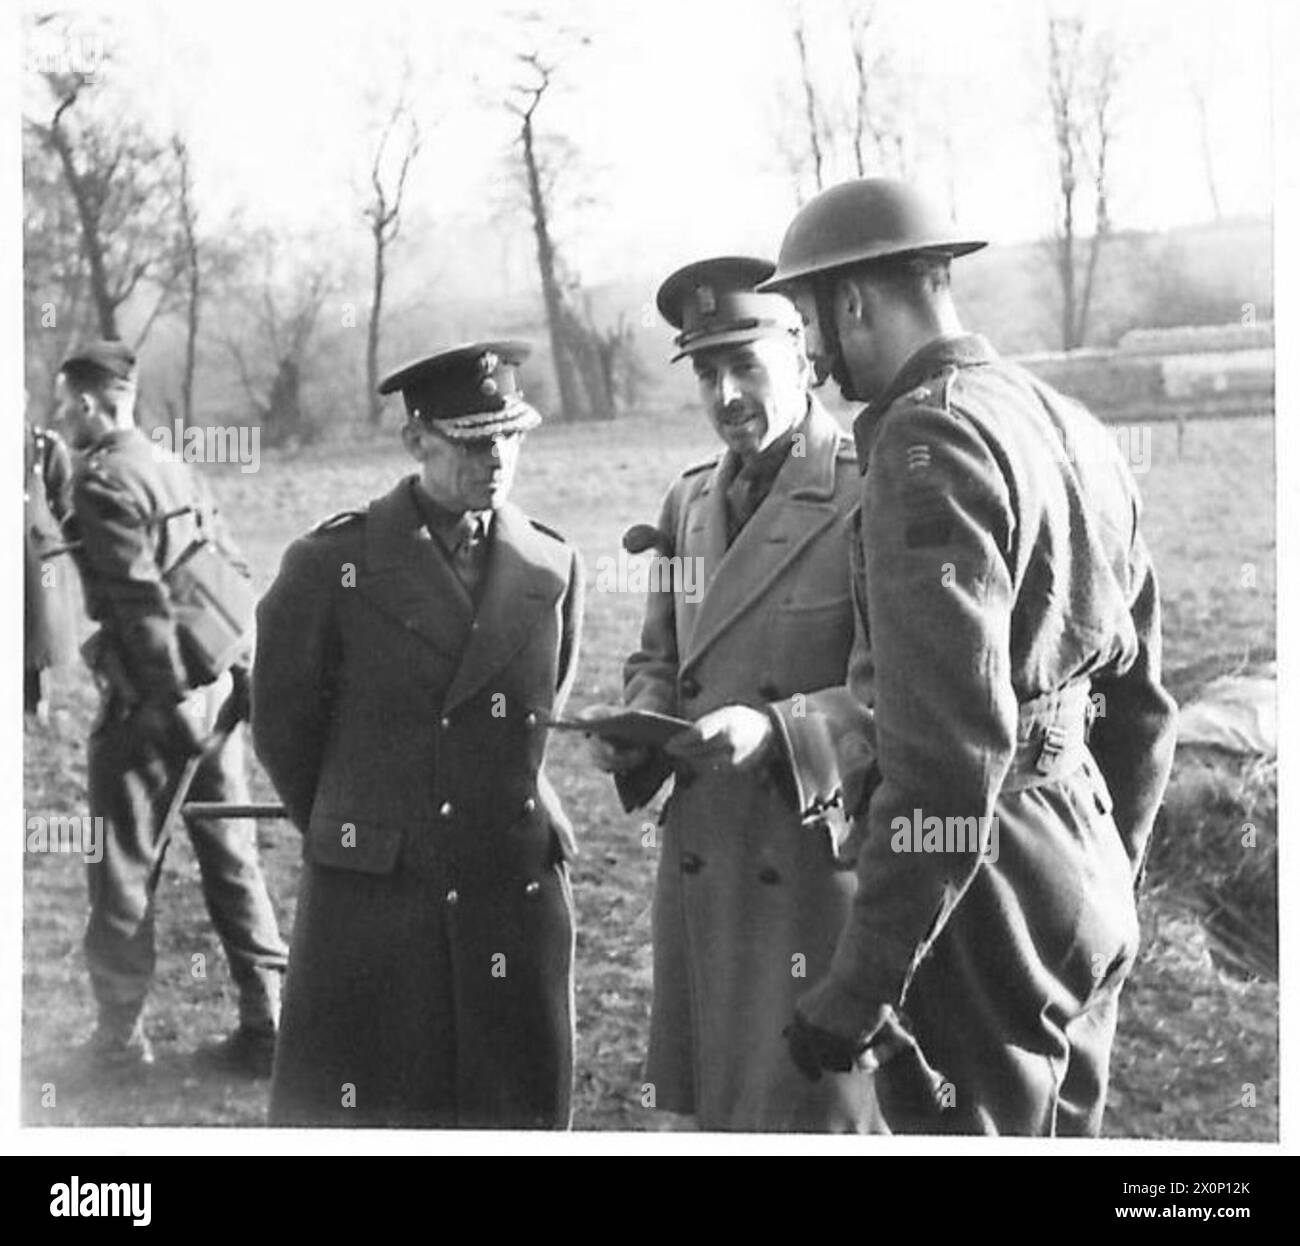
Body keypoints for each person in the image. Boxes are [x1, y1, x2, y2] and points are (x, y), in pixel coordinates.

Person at [760, 178, 1178, 1134]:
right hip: (1085, 857)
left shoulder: (925, 439)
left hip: (987, 892)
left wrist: (862, 983)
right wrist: (1109, 861)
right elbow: (1145, 704)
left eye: (805, 321)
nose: (810, 352)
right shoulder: (1066, 421)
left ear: (854, 300)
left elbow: (947, 759)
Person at [254, 341, 584, 1128]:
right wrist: (359, 822)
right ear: (417, 442)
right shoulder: (331, 566)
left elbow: (526, 734)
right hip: (377, 900)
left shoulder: (551, 565)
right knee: (378, 1104)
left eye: (510, 436)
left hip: (510, 890)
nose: (496, 458)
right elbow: (286, 729)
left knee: (503, 1105)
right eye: (472, 441)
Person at [586, 257, 882, 1131]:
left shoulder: (871, 488)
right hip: (709, 865)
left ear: (802, 354)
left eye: (746, 365)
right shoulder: (686, 502)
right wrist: (636, 727)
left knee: (816, 1109)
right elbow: (660, 659)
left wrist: (779, 730)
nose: (726, 395)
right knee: (729, 1108)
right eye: (707, 373)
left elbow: (908, 695)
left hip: (816, 868)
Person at [55, 339, 288, 1077]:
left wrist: (164, 700)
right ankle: (268, 1024)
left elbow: (139, 606)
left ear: (92, 402)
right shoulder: (171, 463)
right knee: (231, 859)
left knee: (120, 865)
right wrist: (234, 675)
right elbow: (231, 565)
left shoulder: (99, 483)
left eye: (68, 404)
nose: (64, 418)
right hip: (216, 692)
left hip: (157, 705)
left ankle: (119, 1044)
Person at [25, 409, 78, 719]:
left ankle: (37, 700)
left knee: (40, 623)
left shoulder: (45, 447)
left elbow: (65, 502)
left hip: (40, 556)